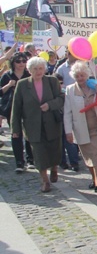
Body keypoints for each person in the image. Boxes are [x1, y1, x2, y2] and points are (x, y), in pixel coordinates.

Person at [11, 56, 64, 192]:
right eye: (35, 69)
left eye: (41, 68)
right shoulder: (22, 85)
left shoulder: (52, 81)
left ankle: (54, 168)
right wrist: (15, 128)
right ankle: (44, 181)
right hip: (33, 125)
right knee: (39, 153)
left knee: (54, 149)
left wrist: (50, 105)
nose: (38, 71)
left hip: (52, 123)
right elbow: (16, 108)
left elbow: (61, 98)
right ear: (29, 70)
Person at [63, 62, 97, 192]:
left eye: (82, 75)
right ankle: (94, 179)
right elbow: (67, 113)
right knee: (89, 157)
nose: (80, 78)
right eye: (77, 76)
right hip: (81, 129)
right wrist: (68, 132)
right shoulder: (70, 90)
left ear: (87, 74)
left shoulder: (95, 86)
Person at [0, 52, 34, 172]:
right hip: (12, 109)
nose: (21, 64)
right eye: (18, 61)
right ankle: (19, 162)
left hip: (28, 108)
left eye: (24, 61)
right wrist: (9, 86)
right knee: (16, 134)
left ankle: (31, 160)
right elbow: (1, 92)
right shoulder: (7, 76)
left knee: (29, 134)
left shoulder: (29, 75)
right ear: (13, 62)